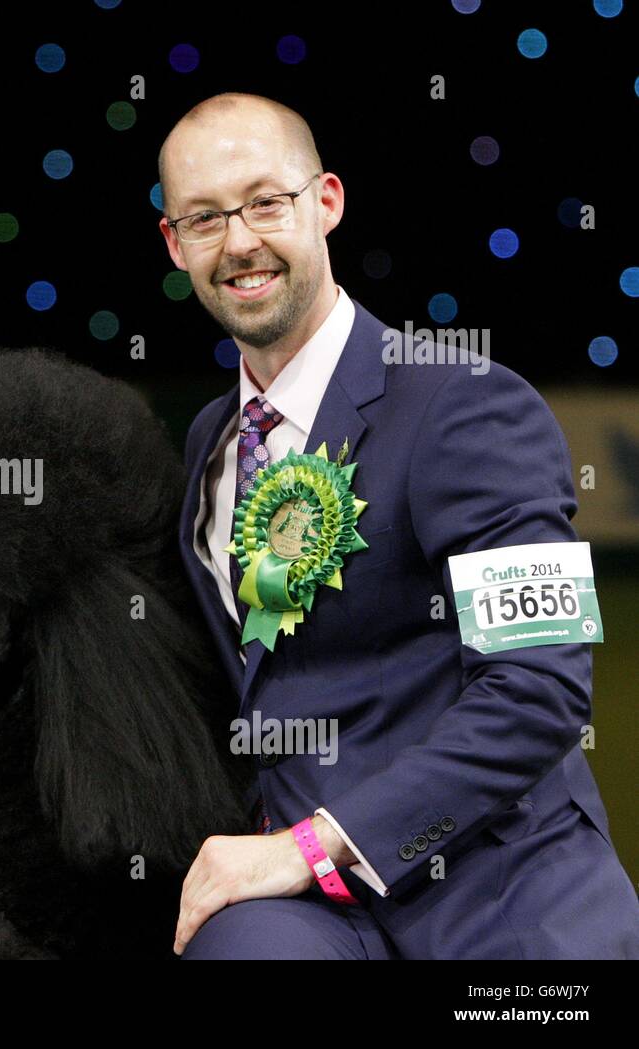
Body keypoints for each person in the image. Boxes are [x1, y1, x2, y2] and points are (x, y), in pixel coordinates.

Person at [158, 92, 639, 959]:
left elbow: (541, 691)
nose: (238, 241)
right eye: (203, 218)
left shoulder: (472, 403)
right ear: (174, 242)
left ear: (327, 201)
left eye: (266, 202)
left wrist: (311, 846)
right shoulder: (209, 445)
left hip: (503, 893)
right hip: (307, 916)